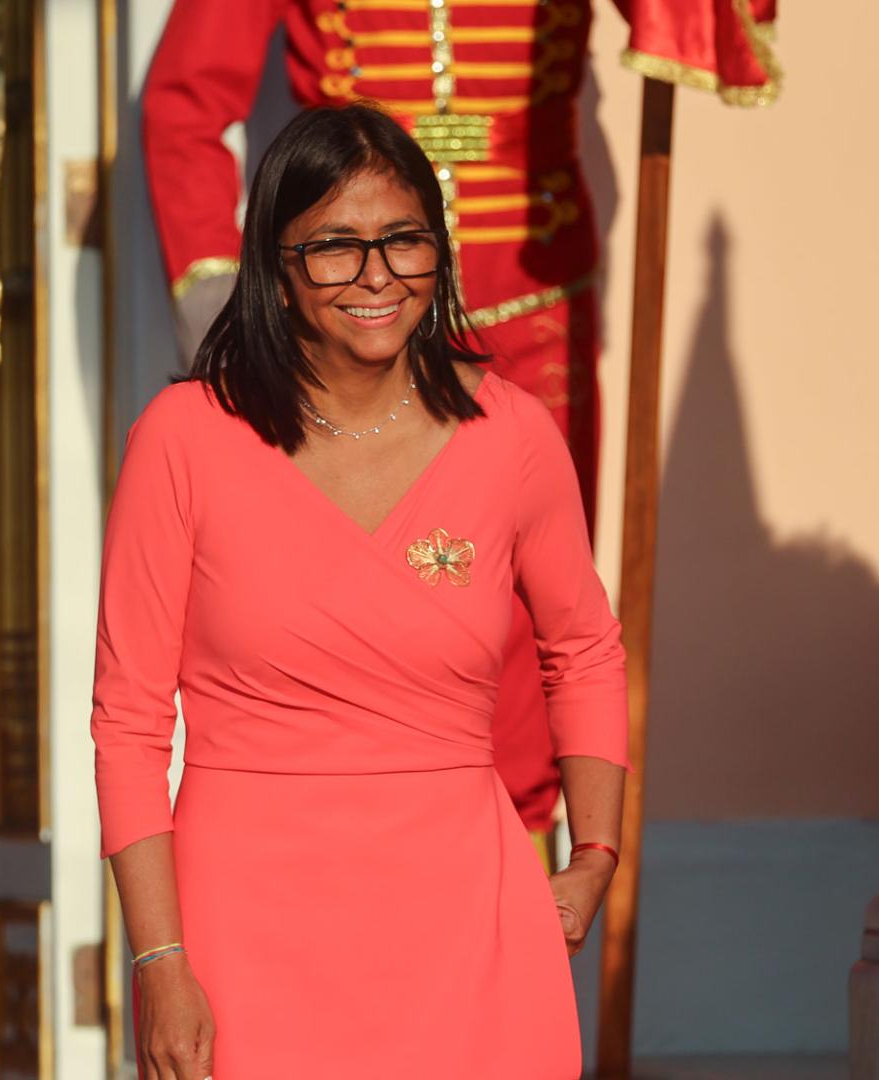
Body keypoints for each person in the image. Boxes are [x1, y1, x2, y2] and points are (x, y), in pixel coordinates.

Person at [94, 104, 626, 1079]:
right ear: (277, 266)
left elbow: (584, 648)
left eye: (402, 240)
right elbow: (127, 720)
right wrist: (159, 959)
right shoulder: (181, 441)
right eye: (335, 246)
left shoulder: (509, 436)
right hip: (241, 935)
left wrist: (594, 855)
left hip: (472, 934)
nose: (376, 275)